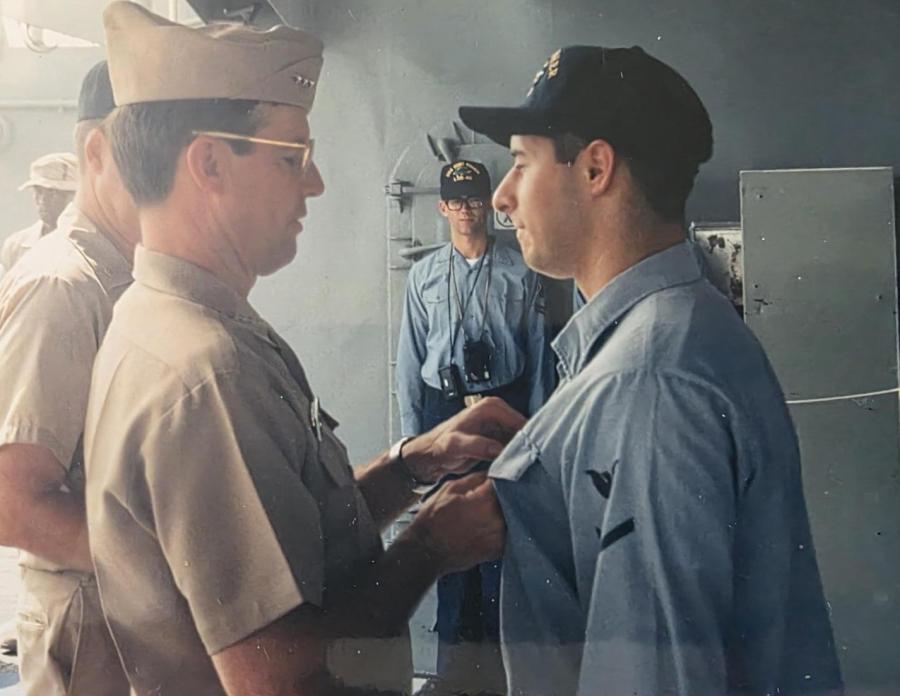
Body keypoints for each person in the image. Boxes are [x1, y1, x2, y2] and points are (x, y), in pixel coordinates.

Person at [84, 4, 523, 695]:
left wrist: (409, 467)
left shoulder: (181, 325)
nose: (314, 184)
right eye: (295, 157)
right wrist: (429, 546)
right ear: (209, 165)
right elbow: (278, 678)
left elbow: (293, 543)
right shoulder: (205, 375)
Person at [459, 45, 844, 696]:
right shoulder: (683, 330)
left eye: (521, 163)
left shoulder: (647, 383)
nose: (500, 196)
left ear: (595, 168)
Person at [0, 60, 135, 695]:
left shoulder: (127, 276)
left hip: (129, 612)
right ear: (98, 150)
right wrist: (161, 568)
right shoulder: (63, 285)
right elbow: (13, 503)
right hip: (88, 620)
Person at [396, 160, 553, 695]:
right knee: (445, 537)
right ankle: (452, 678)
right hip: (445, 414)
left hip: (505, 411)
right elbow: (408, 366)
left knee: (497, 540)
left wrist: (529, 442)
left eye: (474, 199)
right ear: (442, 208)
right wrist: (414, 458)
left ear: (488, 205)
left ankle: (501, 678)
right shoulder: (424, 277)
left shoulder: (521, 272)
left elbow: (539, 362)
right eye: (456, 201)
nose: (466, 210)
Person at [1, 152, 78, 271]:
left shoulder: (95, 246)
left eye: (53, 193)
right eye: (38, 191)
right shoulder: (16, 246)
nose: (42, 200)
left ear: (75, 196)